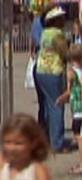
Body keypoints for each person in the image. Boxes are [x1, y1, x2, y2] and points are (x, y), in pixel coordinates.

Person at [34, 4, 69, 152]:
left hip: (40, 70)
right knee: (56, 106)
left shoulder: (45, 33)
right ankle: (57, 143)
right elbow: (65, 53)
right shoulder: (57, 34)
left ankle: (44, 137)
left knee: (46, 107)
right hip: (53, 71)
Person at [0, 113, 52, 180]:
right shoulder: (5, 167)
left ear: (33, 144)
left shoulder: (37, 169)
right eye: (8, 142)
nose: (12, 148)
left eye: (18, 143)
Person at [56, 43, 82, 174]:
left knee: (78, 137)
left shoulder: (71, 72)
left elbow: (69, 91)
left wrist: (61, 98)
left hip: (77, 109)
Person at [29, 7, 47, 134]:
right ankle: (46, 129)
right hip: (48, 66)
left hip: (38, 64)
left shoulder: (36, 22)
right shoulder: (53, 32)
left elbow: (33, 39)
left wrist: (31, 51)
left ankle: (42, 127)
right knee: (50, 102)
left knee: (42, 101)